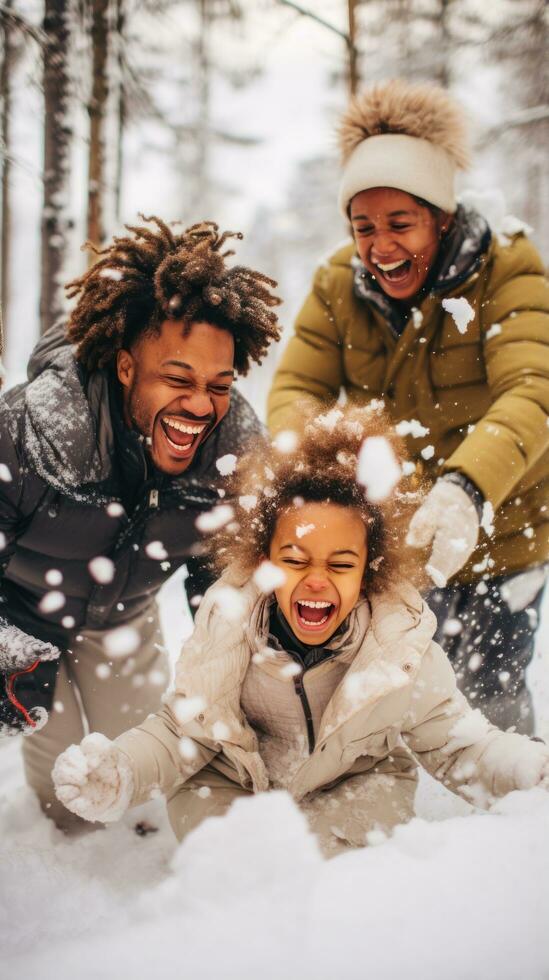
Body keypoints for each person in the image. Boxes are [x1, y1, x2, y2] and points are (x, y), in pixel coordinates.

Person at [52, 406, 549, 855]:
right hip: (235, 794)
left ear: (369, 571)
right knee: (233, 861)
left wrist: (529, 769)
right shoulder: (232, 630)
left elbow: (459, 743)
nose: (316, 579)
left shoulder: (396, 649)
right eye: (294, 560)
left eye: (341, 563)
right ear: (264, 560)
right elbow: (184, 731)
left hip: (349, 798)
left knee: (352, 858)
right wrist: (121, 770)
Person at [267, 79, 549, 734]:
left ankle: (503, 812)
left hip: (503, 532)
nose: (380, 245)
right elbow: (295, 390)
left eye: (400, 224)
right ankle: (401, 826)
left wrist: (465, 490)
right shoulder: (339, 282)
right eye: (364, 227)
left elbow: (533, 388)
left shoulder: (508, 270)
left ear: (441, 218)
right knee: (386, 695)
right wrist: (302, 465)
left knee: (485, 696)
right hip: (395, 540)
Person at [0, 217, 281, 828]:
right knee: (70, 802)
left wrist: (242, 663)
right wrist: (6, 650)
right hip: (22, 618)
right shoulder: (33, 430)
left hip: (123, 617)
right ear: (126, 367)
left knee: (136, 784)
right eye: (177, 378)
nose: (200, 405)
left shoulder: (233, 448)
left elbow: (227, 581)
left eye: (218, 384)